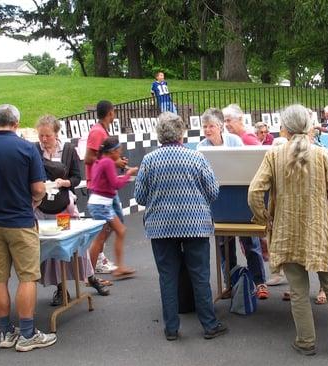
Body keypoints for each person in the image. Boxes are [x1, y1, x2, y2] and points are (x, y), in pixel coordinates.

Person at [248, 104, 328, 356]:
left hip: (287, 231)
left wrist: (264, 217)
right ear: (310, 127)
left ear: (285, 129)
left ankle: (306, 342)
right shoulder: (321, 154)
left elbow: (255, 192)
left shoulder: (274, 155)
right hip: (320, 229)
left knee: (298, 291)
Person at [0, 104, 57, 351]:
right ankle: (27, 334)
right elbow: (38, 189)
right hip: (20, 222)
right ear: (16, 124)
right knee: (27, 277)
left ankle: (6, 332)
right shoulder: (27, 149)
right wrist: (33, 202)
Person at [134, 112, 228, 341]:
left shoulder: (149, 161)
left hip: (160, 227)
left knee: (167, 277)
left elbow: (140, 197)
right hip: (195, 225)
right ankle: (209, 324)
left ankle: (172, 329)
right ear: (182, 133)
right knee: (200, 276)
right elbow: (214, 192)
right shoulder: (196, 158)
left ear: (159, 135)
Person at [33, 115, 100, 305]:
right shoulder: (34, 150)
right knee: (50, 247)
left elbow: (77, 177)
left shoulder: (68, 150)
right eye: (41, 135)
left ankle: (89, 277)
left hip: (64, 206)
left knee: (73, 242)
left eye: (47, 136)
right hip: (43, 208)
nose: (44, 139)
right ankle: (60, 289)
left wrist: (66, 182)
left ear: (56, 133)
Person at [219, 104, 270, 299]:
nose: (226, 125)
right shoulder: (229, 140)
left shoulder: (247, 139)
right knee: (229, 242)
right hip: (233, 197)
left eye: (229, 120)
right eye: (224, 121)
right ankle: (235, 283)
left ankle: (255, 282)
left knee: (250, 242)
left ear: (240, 120)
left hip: (246, 198)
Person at [84, 100, 128, 279]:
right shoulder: (97, 131)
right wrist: (113, 162)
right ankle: (95, 264)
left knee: (118, 227)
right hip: (100, 191)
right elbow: (88, 158)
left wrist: (115, 162)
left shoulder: (102, 131)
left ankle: (102, 263)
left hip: (105, 189)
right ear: (111, 113)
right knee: (109, 230)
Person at [87, 136, 138, 281]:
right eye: (119, 151)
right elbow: (116, 184)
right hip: (101, 205)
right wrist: (127, 174)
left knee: (119, 231)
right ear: (113, 151)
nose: (120, 154)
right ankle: (89, 275)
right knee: (100, 238)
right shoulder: (107, 162)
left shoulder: (102, 161)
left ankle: (118, 268)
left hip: (101, 204)